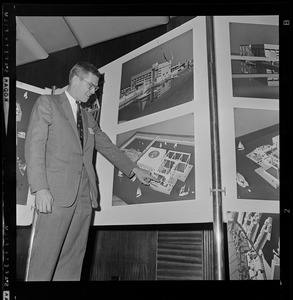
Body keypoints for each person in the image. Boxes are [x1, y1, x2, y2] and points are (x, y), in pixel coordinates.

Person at [24, 61, 157, 281]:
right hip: (54, 198)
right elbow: (34, 146)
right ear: (75, 79)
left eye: (96, 88)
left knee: (71, 264)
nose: (93, 91)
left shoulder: (87, 117)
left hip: (84, 200)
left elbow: (106, 145)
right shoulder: (48, 103)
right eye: (91, 85)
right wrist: (40, 188)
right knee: (43, 263)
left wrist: (133, 169)